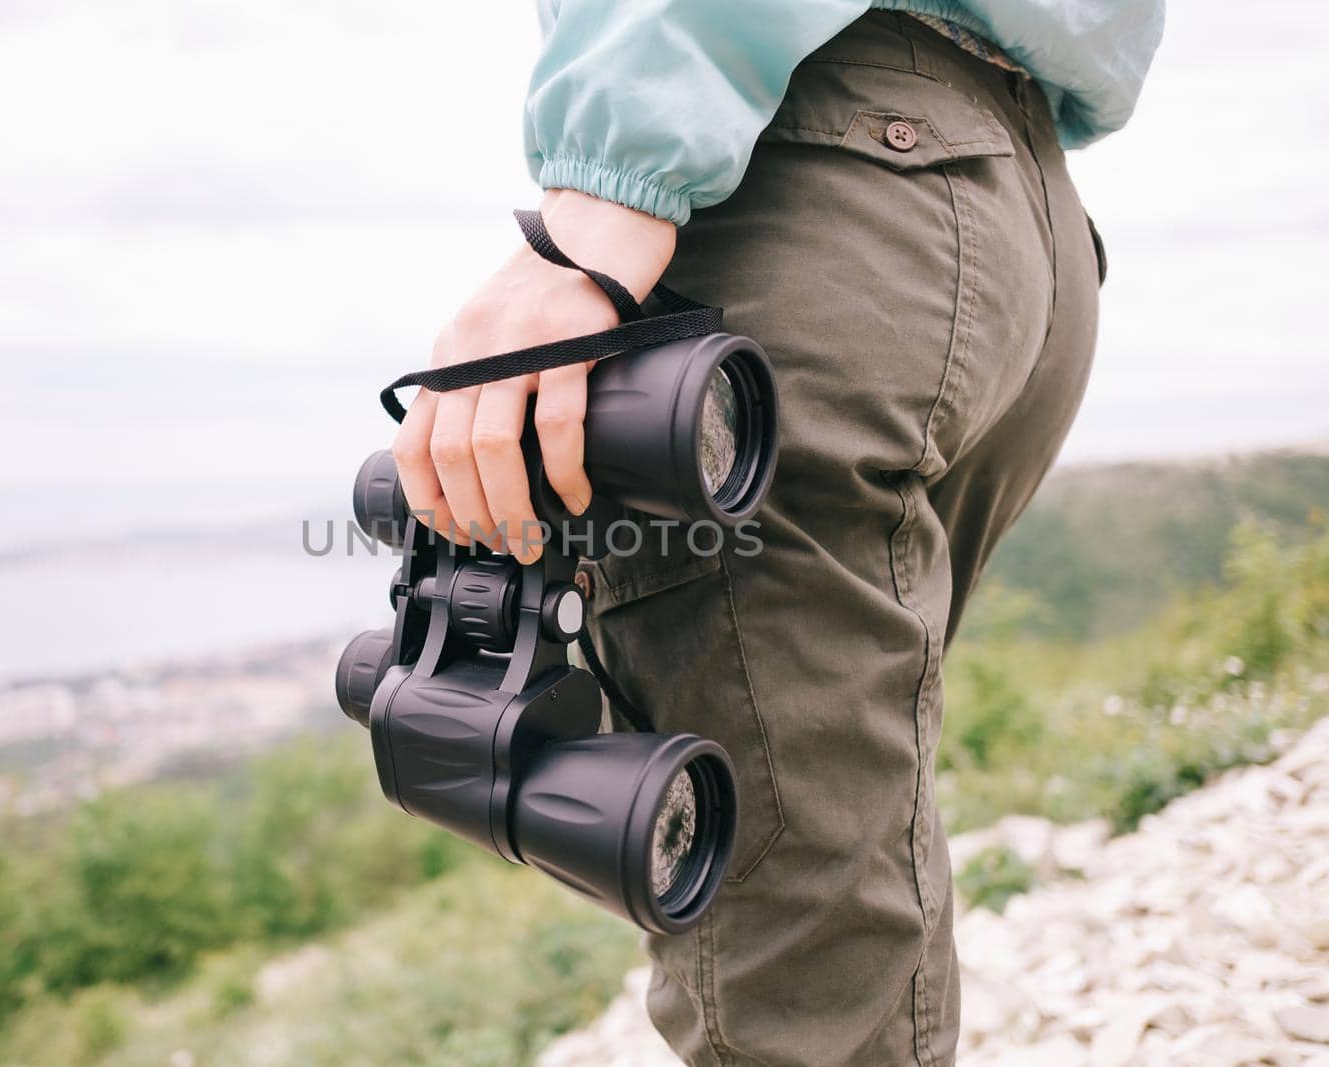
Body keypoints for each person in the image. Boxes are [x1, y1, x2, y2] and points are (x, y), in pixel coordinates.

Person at [390, 3, 1163, 1064]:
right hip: (1016, 217)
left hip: (818, 192)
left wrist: (595, 217)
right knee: (841, 838)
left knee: (784, 934)